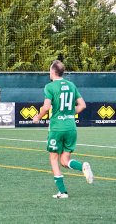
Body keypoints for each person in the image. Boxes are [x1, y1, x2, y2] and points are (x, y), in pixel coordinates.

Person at [33, 60, 93, 199]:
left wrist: (38, 117)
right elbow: (82, 105)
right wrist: (70, 113)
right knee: (64, 160)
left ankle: (63, 192)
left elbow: (47, 107)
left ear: (53, 71)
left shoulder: (50, 86)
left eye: (49, 70)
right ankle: (82, 166)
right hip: (71, 127)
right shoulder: (71, 85)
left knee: (54, 158)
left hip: (57, 128)